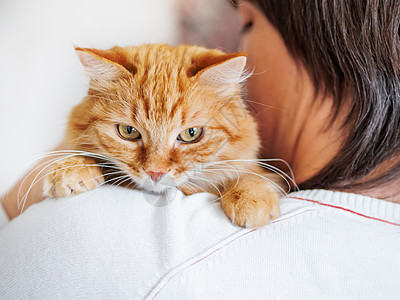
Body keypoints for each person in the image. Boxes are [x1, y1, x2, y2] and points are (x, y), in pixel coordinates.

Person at [1, 0, 399, 299]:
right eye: (128, 132)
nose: (156, 166)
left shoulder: (96, 241)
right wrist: (78, 157)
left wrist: (17, 200)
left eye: (189, 135)